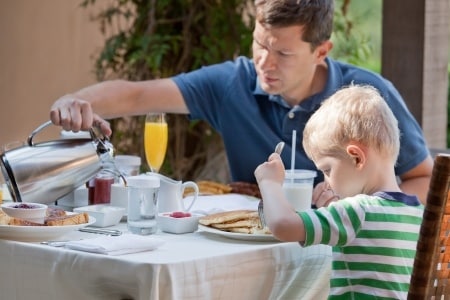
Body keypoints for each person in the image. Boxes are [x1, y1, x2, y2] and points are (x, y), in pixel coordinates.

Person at [49, 0, 433, 205]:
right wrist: (77, 100)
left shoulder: (365, 98)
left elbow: (425, 179)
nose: (264, 63)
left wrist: (363, 201)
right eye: (259, 44)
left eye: (282, 53)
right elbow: (137, 93)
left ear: (321, 51)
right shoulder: (233, 83)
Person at [254, 84, 424, 299]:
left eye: (327, 169)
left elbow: (282, 225)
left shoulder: (358, 212)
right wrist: (333, 211)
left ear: (356, 157)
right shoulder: (420, 214)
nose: (326, 181)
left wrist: (269, 184)